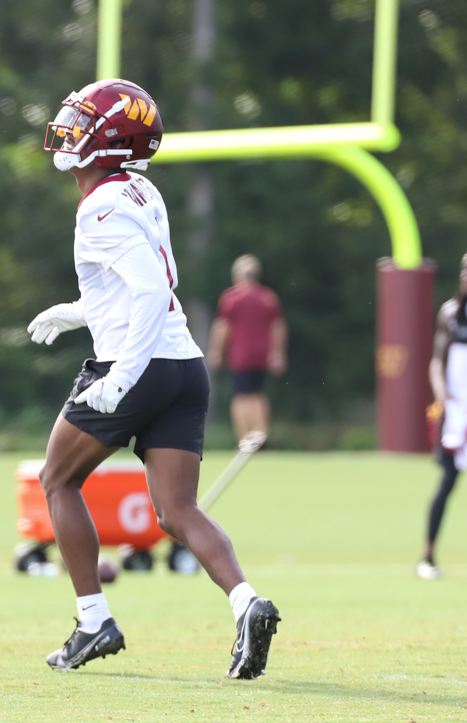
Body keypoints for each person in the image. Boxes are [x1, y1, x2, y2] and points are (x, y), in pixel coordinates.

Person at [28, 79, 280, 679]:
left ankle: (93, 621)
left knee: (58, 479)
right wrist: (79, 312)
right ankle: (247, 603)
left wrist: (121, 376)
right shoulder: (139, 189)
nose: (69, 129)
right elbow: (142, 288)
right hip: (184, 365)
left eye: (83, 122)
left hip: (137, 363)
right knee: (177, 510)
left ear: (110, 141)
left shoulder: (99, 206)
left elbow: (145, 292)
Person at [417, 248, 467, 580]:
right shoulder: (452, 312)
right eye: (465, 270)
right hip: (457, 414)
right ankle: (428, 556)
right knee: (446, 483)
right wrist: (444, 396)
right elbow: (437, 361)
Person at [207, 255, 287, 441]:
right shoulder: (268, 298)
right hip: (263, 355)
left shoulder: (232, 298)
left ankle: (245, 438)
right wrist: (278, 353)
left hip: (241, 356)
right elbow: (278, 326)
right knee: (257, 395)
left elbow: (222, 327)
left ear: (237, 276)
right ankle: (261, 434)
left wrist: (217, 352)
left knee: (241, 397)